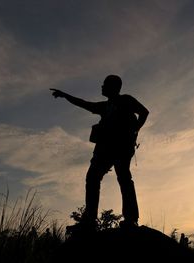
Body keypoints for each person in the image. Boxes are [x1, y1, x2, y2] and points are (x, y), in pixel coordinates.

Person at [50, 75, 149, 231]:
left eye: (105, 84)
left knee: (123, 178)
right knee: (93, 177)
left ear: (114, 87)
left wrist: (134, 130)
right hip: (105, 149)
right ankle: (90, 220)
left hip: (121, 147)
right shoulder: (105, 106)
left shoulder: (126, 100)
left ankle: (131, 218)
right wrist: (65, 95)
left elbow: (144, 112)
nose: (101, 87)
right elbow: (84, 104)